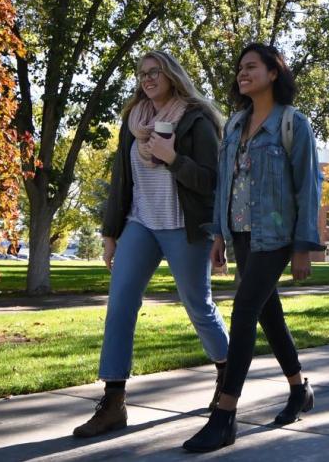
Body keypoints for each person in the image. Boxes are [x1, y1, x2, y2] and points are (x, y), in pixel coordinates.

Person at [73, 51, 230, 438]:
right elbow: (120, 181)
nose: (147, 78)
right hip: (140, 224)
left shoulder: (197, 118)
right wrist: (110, 235)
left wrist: (173, 158)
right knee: (120, 304)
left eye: (154, 71)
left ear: (172, 74)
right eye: (141, 73)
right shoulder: (134, 120)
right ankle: (113, 401)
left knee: (198, 305)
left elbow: (213, 181)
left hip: (183, 226)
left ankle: (228, 378)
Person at [183, 43, 323, 453]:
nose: (242, 73)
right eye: (240, 68)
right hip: (241, 234)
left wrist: (302, 247)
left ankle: (225, 415)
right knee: (268, 312)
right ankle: (300, 389)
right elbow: (225, 183)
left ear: (273, 72)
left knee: (243, 312)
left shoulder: (293, 123)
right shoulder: (234, 125)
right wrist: (220, 235)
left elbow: (307, 186)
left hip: (276, 235)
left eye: (251, 67)